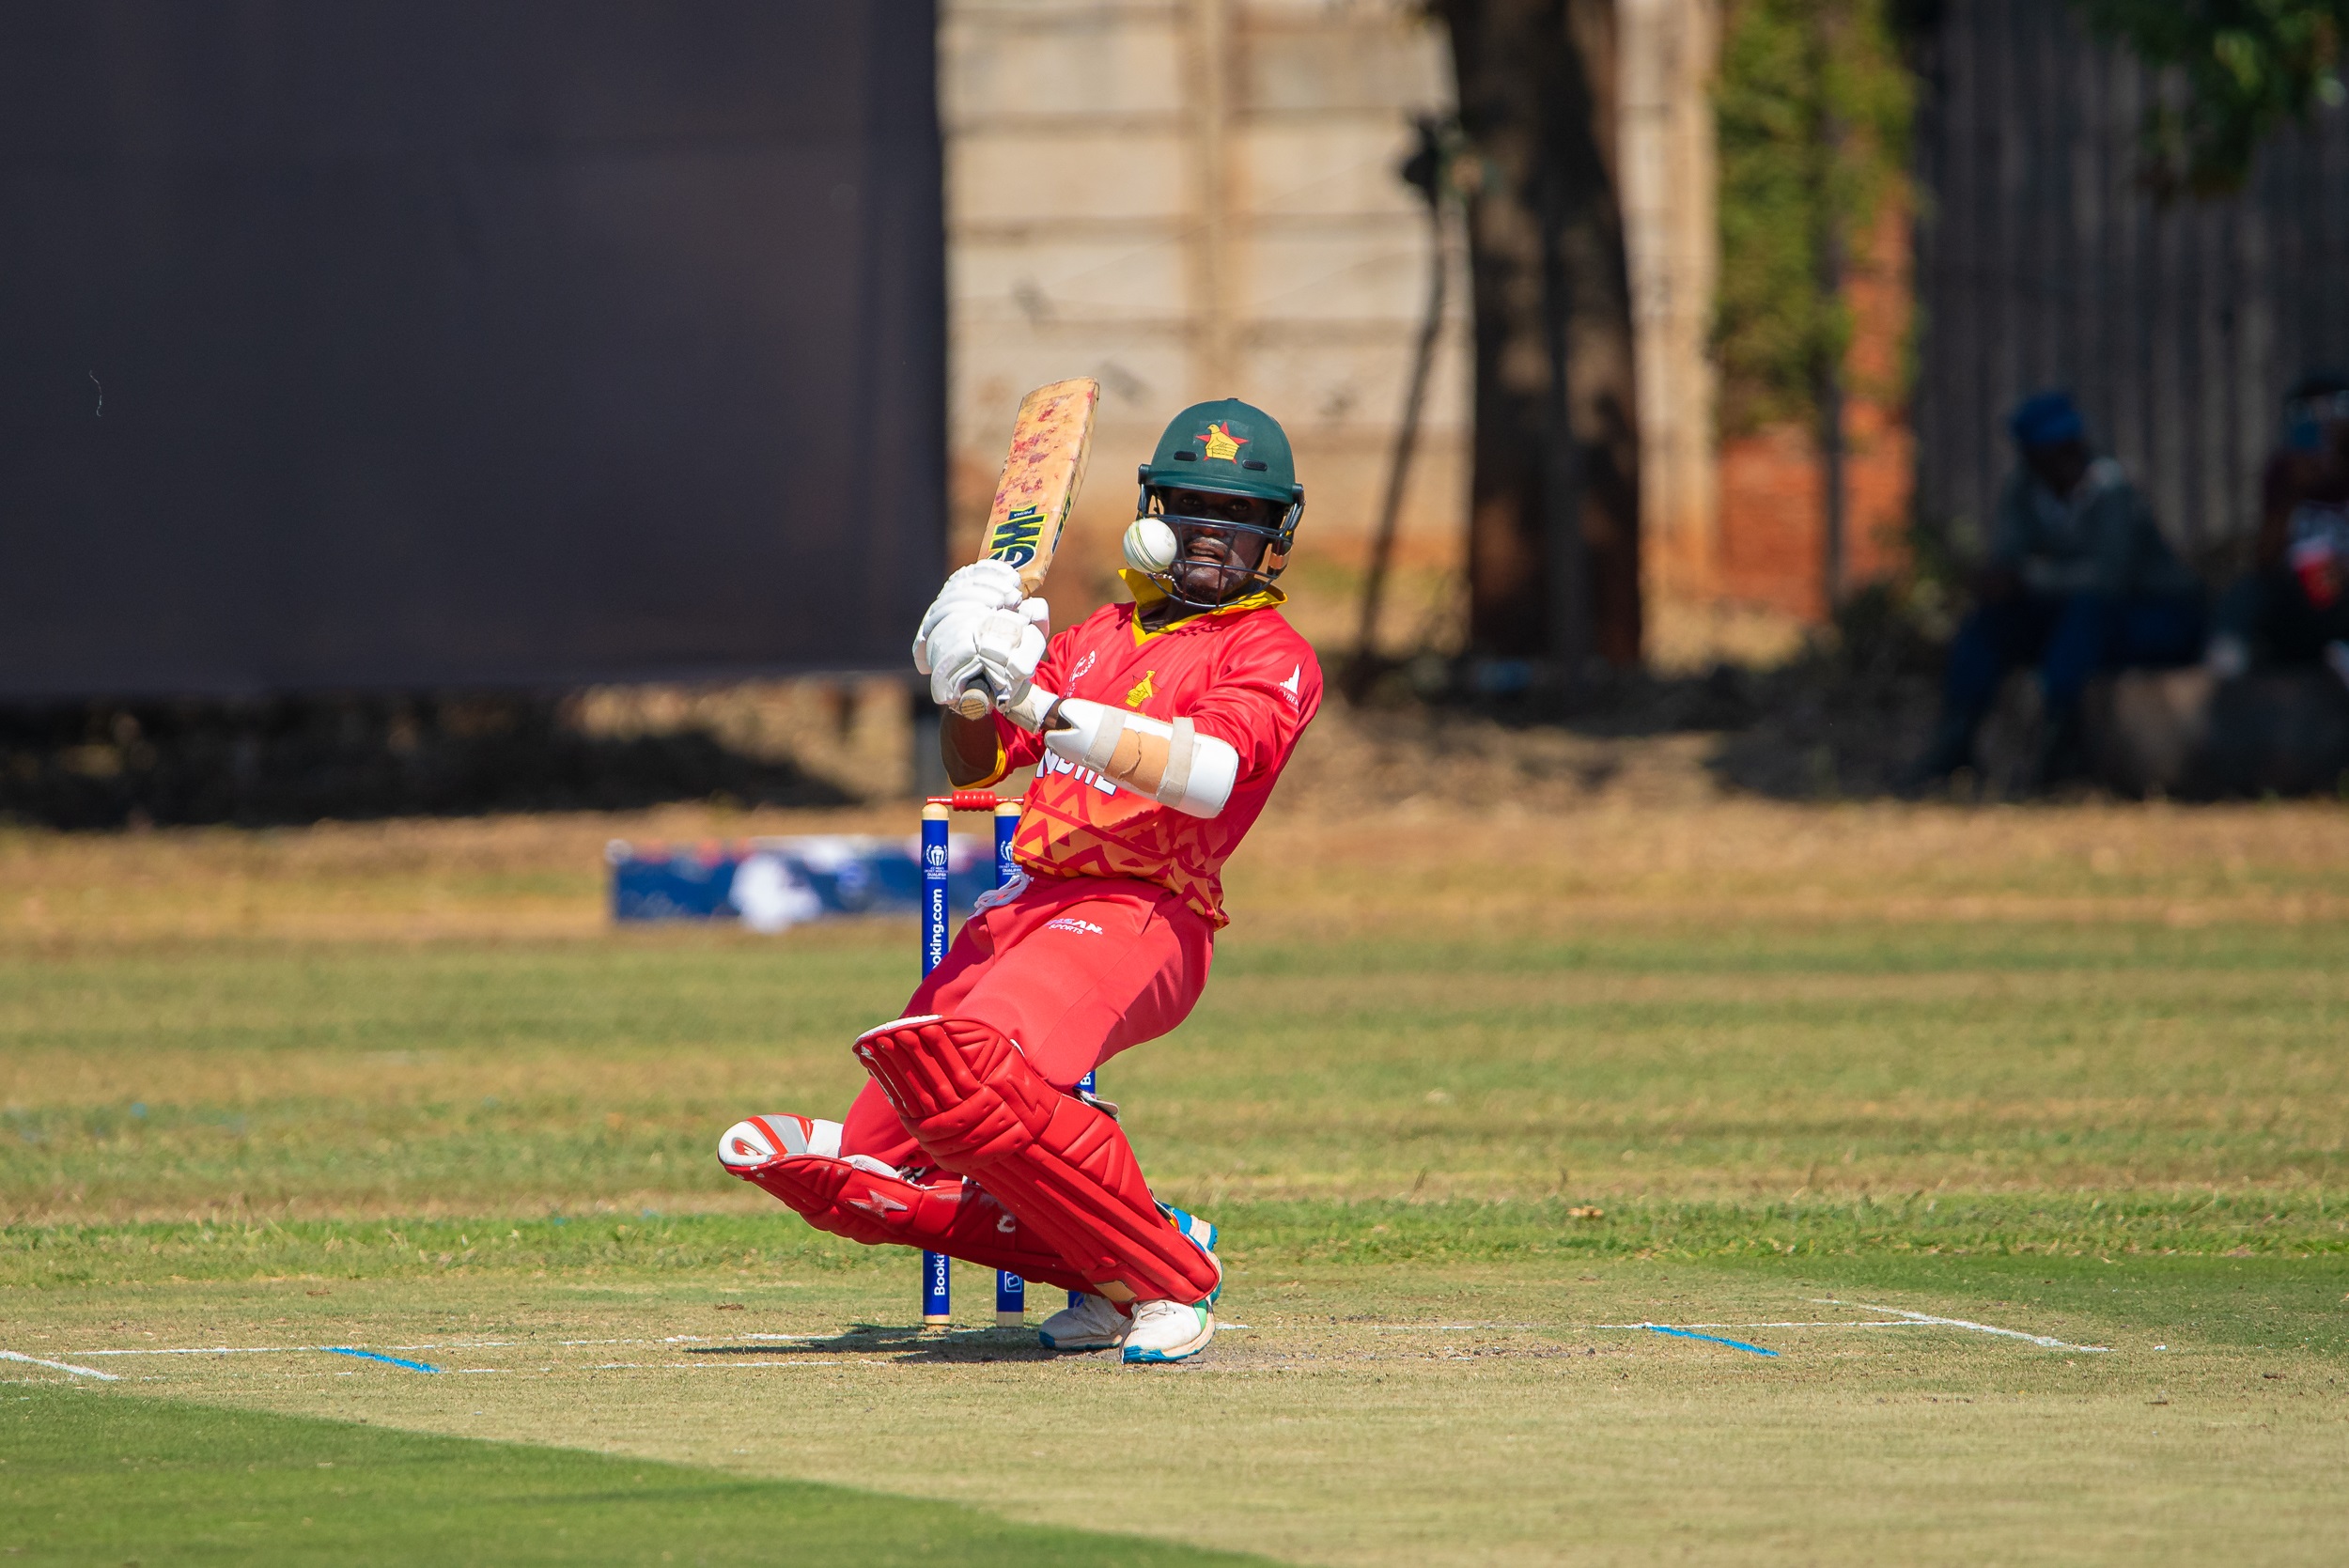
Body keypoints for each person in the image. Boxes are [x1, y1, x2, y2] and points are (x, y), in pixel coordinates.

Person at [716, 398, 1322, 1366]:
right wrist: (963, 672)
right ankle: (1105, 1270)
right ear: (1151, 512)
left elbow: (1205, 774)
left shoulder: (1268, 655)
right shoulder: (1093, 637)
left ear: (1274, 537)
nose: (1217, 534)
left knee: (973, 1071)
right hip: (1027, 906)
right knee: (895, 1140)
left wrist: (1039, 696)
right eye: (1196, 507)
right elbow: (973, 764)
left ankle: (1167, 1272)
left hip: (1144, 911)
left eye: (1242, 516)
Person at [1906, 391, 2204, 789]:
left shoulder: (2113, 490)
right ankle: (1956, 741)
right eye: (2048, 453)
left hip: (2150, 616)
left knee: (2086, 618)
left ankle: (2055, 746)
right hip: (2068, 618)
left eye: (2067, 449)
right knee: (1988, 625)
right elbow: (2009, 557)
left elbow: (2109, 579)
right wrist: (1998, 581)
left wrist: (2029, 578)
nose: (2062, 460)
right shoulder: (2024, 490)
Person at [2206, 371, 2349, 686]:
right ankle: (2228, 660)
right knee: (2247, 590)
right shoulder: (2286, 473)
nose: (2323, 424)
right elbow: (2265, 561)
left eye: (2335, 410)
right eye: (2310, 413)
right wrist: (2290, 494)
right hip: (2300, 599)